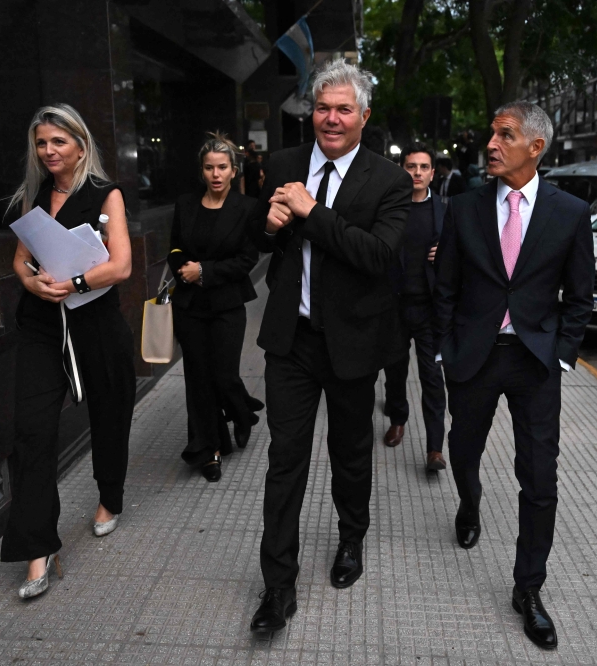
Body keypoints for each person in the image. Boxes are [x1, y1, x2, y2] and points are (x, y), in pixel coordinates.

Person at [246, 60, 411, 632]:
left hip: (353, 342)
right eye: (322, 108)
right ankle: (277, 587)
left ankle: (351, 538)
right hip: (290, 341)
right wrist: (270, 227)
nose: (332, 119)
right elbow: (256, 238)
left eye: (344, 109)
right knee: (285, 459)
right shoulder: (283, 165)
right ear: (310, 113)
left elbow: (377, 256)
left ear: (364, 116)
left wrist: (311, 213)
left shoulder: (389, 180)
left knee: (350, 453)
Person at [432, 101, 594, 649]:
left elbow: (580, 295)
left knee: (540, 479)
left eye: (505, 135)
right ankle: (469, 501)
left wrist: (562, 354)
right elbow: (445, 285)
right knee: (463, 450)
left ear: (536, 147)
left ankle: (528, 588)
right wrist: (445, 347)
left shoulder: (570, 212)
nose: (492, 145)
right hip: (473, 357)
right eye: (492, 133)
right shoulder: (464, 207)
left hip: (534, 362)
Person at [1, 104, 137, 599]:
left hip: (96, 324)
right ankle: (37, 548)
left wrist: (75, 282)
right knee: (32, 431)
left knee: (110, 415)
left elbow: (121, 266)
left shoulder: (106, 194)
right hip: (41, 326)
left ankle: (110, 497)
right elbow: (20, 260)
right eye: (41, 143)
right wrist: (32, 283)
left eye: (58, 141)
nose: (49, 151)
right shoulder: (32, 197)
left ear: (81, 146)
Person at [168, 132, 263, 482]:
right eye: (209, 168)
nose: (216, 174)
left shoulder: (247, 208)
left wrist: (205, 271)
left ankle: (241, 412)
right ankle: (208, 449)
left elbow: (247, 260)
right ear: (202, 171)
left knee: (224, 375)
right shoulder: (185, 204)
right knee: (198, 379)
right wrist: (184, 268)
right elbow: (175, 247)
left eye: (222, 167)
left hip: (227, 304)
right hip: (190, 304)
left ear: (234, 170)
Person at [381, 143, 447, 472]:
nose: (417, 173)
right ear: (402, 170)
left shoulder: (447, 211)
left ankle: (435, 448)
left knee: (432, 377)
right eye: (411, 166)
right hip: (394, 306)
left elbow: (467, 255)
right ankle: (398, 419)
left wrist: (448, 252)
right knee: (395, 371)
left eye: (423, 167)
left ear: (433, 173)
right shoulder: (390, 208)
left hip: (429, 310)